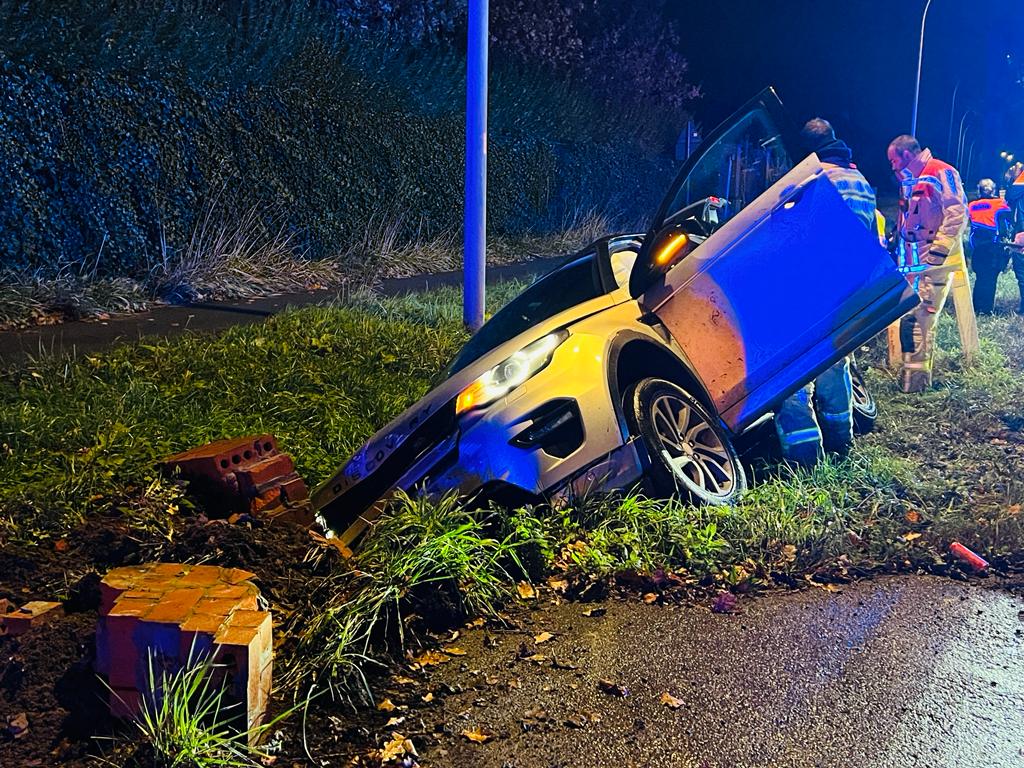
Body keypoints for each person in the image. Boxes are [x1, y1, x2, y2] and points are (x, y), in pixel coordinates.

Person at [774, 118, 875, 467]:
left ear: (809, 151)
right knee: (835, 361)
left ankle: (804, 456)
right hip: (848, 286)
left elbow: (792, 231)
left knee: (795, 365)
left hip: (813, 283)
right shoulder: (859, 180)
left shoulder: (817, 180)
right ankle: (840, 440)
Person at [887, 135, 968, 393]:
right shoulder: (909, 179)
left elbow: (957, 213)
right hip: (913, 264)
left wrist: (938, 252)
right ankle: (909, 378)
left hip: (932, 263)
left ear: (907, 154)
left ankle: (916, 386)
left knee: (921, 321)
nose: (891, 166)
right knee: (910, 321)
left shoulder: (942, 172)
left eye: (893, 160)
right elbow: (907, 220)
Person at [967, 178, 1014, 314]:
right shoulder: (1000, 203)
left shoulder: (972, 205)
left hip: (977, 245)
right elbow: (1009, 215)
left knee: (980, 277)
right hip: (994, 245)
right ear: (993, 190)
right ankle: (986, 309)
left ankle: (976, 306)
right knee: (991, 278)